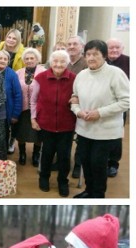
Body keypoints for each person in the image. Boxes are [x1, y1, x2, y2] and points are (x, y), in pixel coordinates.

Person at [70, 40, 130, 198]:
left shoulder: (115, 73)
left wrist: (100, 112)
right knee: (86, 163)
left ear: (104, 55)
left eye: (95, 54)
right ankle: (89, 191)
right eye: (88, 54)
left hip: (105, 131)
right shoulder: (82, 75)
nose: (91, 58)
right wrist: (77, 111)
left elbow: (126, 101)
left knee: (98, 165)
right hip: (84, 129)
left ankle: (97, 195)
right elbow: (74, 98)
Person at [30, 50, 77, 197]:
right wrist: (33, 118)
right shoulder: (40, 78)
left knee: (64, 156)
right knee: (47, 154)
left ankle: (63, 181)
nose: (58, 64)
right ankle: (44, 178)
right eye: (55, 61)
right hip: (46, 124)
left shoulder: (74, 78)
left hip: (67, 125)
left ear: (67, 63)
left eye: (62, 61)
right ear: (50, 62)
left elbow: (79, 98)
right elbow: (33, 100)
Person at [13, 48, 46, 166]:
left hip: (38, 109)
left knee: (38, 134)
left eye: (32, 58)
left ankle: (36, 155)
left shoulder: (44, 71)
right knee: (21, 133)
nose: (29, 60)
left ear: (37, 59)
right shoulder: (18, 72)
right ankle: (22, 153)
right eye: (27, 58)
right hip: (22, 108)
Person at [105, 38, 129, 178]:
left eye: (117, 47)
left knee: (116, 135)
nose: (114, 50)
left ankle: (113, 163)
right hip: (101, 105)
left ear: (122, 48)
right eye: (110, 48)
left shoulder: (129, 62)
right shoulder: (102, 61)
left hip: (119, 106)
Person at [0, 50, 22, 160]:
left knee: (3, 136)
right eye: (0, 58)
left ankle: (1, 159)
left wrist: (15, 114)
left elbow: (18, 94)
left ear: (8, 61)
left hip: (5, 112)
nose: (2, 61)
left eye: (5, 59)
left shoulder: (12, 74)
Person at [65, 36, 88, 179]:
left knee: (80, 138)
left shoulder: (86, 63)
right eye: (69, 44)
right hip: (64, 107)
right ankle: (64, 161)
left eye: (75, 44)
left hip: (81, 106)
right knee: (65, 136)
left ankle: (78, 164)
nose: (72, 46)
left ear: (82, 46)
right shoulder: (64, 61)